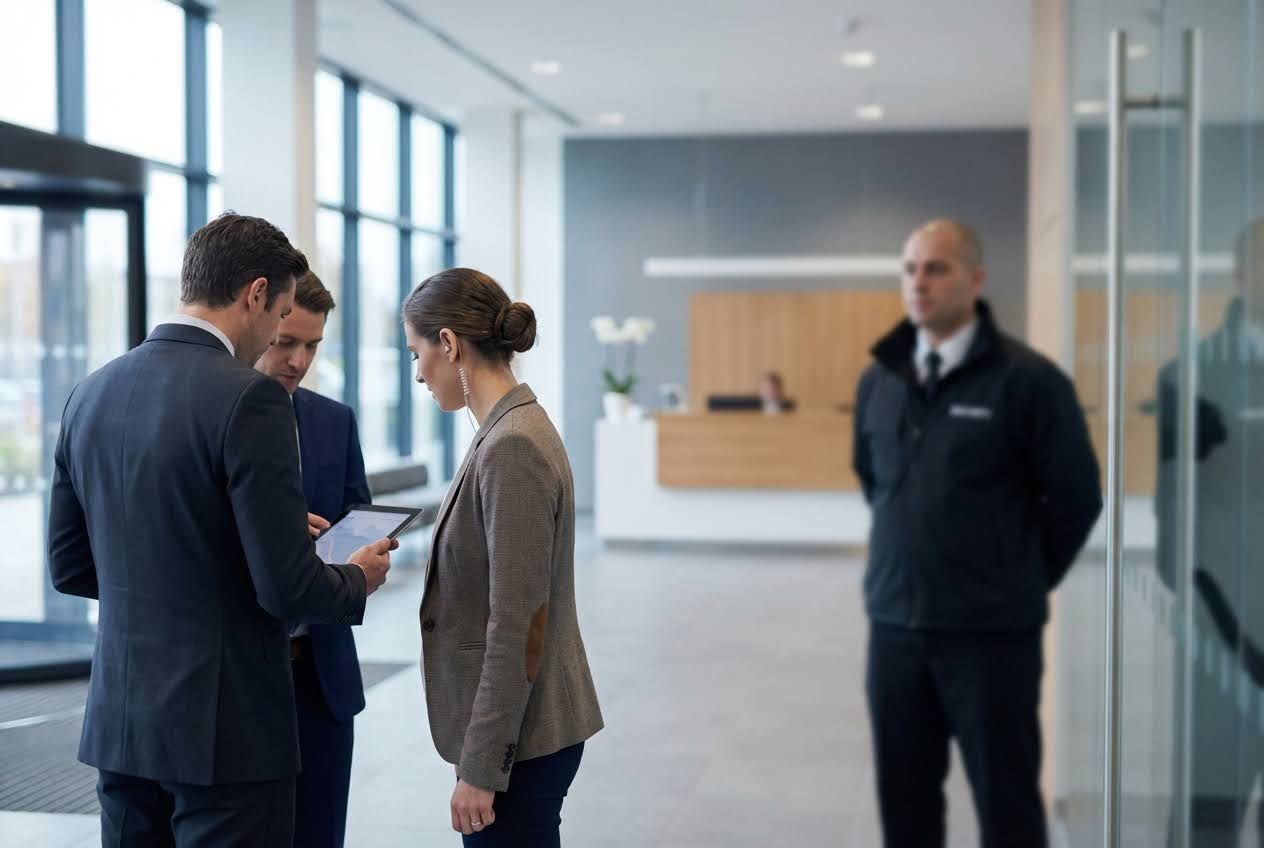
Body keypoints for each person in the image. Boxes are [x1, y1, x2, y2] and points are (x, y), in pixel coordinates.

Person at [46, 212, 395, 847]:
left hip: (122, 727)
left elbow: (71, 566)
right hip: (224, 736)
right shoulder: (248, 398)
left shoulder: (89, 393)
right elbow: (286, 591)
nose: (274, 343)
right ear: (255, 295)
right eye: (279, 315)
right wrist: (355, 577)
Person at [852, 218, 1102, 847]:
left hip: (991, 638)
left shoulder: (1031, 383)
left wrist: (1015, 576)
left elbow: (1077, 499)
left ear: (976, 278)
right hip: (895, 630)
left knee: (1007, 802)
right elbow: (873, 481)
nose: (919, 284)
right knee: (904, 802)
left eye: (936, 268)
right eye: (909, 269)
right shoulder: (879, 380)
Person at [402, 268, 603, 846]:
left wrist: (482, 768)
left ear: (449, 344)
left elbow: (518, 623)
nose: (418, 374)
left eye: (418, 353)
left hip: (522, 741)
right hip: (528, 732)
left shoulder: (512, 444)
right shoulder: (508, 428)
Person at [1155, 219, 1264, 847]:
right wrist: (1215, 626)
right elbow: (1175, 523)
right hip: (1223, 642)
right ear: (1241, 276)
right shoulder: (1191, 375)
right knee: (1206, 821)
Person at [254, 269, 369, 848]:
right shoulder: (212, 415)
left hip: (319, 672)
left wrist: (352, 556)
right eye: (286, 342)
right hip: (243, 677)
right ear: (259, 324)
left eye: (313, 346)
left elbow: (357, 512)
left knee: (321, 833)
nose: (298, 361)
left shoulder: (332, 419)